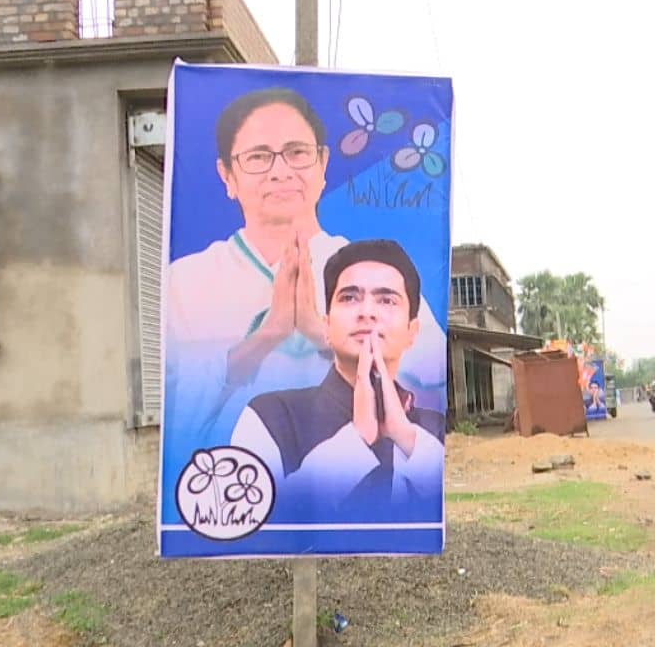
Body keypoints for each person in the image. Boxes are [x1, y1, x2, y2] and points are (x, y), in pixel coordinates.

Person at [165, 87, 447, 444]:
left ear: (323, 163)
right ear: (227, 176)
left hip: (362, 482)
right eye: (257, 157)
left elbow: (430, 382)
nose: (280, 172)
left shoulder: (371, 272)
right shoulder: (188, 281)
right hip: (240, 485)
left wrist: (321, 333)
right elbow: (177, 421)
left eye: (297, 153)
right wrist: (267, 336)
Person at [229, 239, 444, 505]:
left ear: (412, 333)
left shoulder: (432, 430)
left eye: (387, 300)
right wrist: (356, 440)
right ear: (327, 327)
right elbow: (243, 517)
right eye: (350, 298)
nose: (367, 313)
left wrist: (408, 438)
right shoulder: (272, 417)